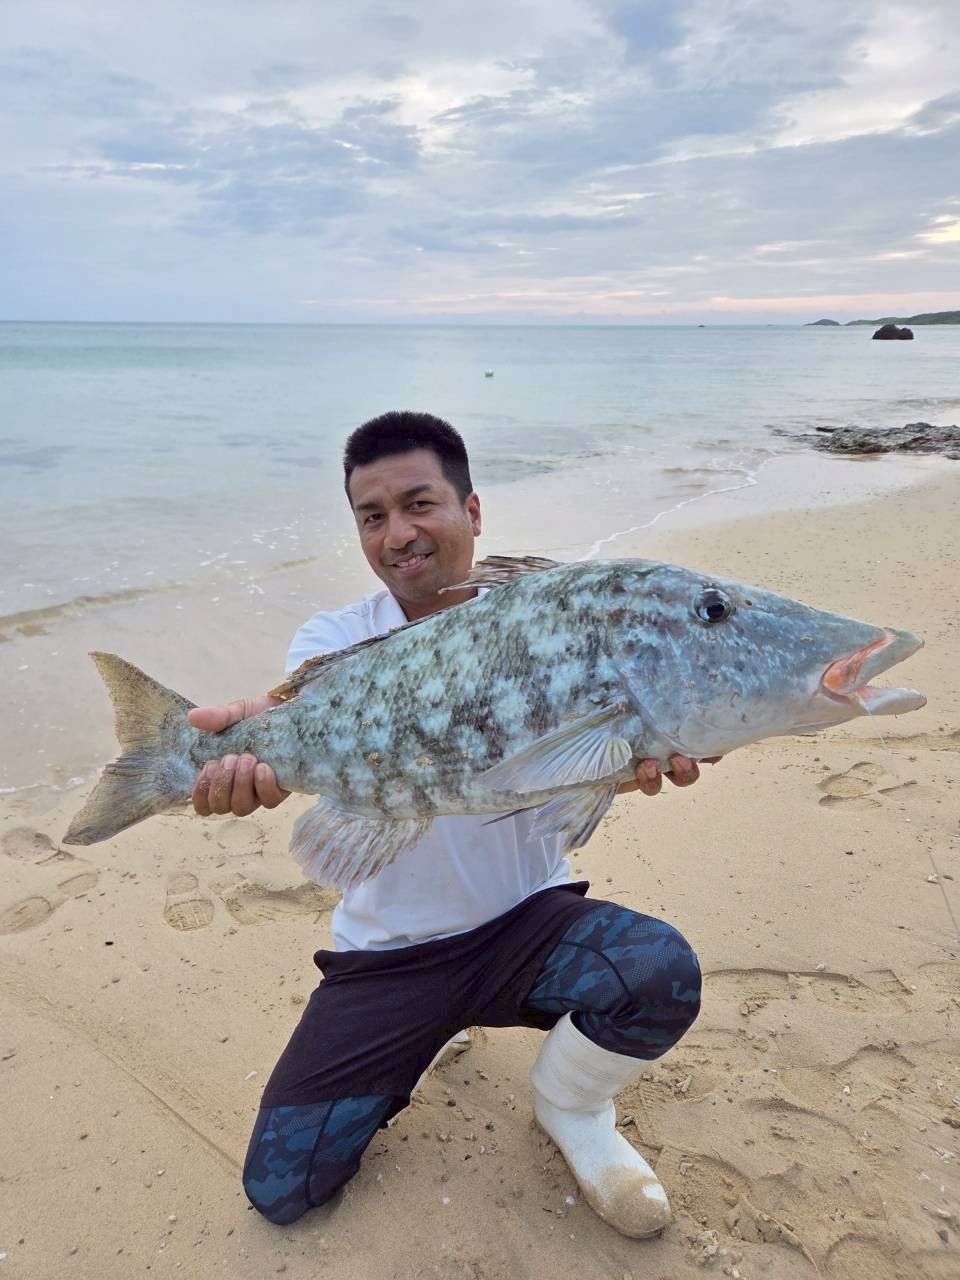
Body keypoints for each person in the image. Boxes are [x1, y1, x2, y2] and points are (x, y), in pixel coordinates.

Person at [189, 412, 714, 1239]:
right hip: (390, 959)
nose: (398, 533)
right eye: (372, 515)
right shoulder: (335, 642)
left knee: (659, 973)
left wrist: (642, 748)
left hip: (528, 928)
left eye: (420, 503)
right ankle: (423, 1033)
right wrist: (249, 764)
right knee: (282, 1188)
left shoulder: (557, 620)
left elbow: (590, 760)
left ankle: (572, 1108)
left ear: (473, 509)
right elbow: (300, 727)